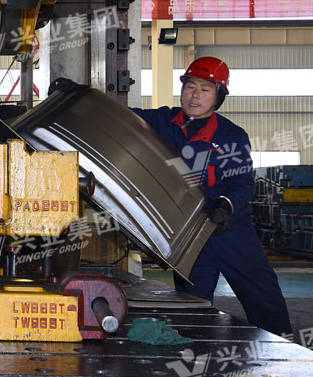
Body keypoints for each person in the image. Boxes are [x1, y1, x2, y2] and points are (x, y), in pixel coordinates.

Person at [50, 58, 292, 337]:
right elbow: (117, 115)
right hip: (189, 236)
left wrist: (227, 205)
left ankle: (284, 346)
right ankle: (195, 348)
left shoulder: (232, 137)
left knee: (261, 293)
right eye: (190, 86)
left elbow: (243, 183)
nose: (195, 95)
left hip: (230, 232)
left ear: (218, 97)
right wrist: (79, 94)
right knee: (192, 304)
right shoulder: (163, 121)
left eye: (205, 89)